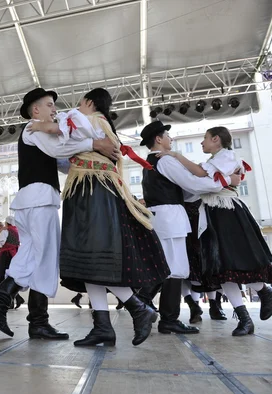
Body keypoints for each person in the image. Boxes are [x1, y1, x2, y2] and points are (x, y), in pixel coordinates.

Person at [31, 88, 170, 347]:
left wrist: (39, 125)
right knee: (91, 263)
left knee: (92, 257)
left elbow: (63, 140)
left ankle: (138, 308)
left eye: (80, 102)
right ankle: (103, 327)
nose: (76, 107)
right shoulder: (103, 126)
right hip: (95, 189)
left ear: (90, 103)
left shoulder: (91, 121)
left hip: (91, 192)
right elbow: (72, 156)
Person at [0, 87, 120, 340]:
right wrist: (95, 143)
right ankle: (24, 314)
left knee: (34, 256)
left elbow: (64, 162)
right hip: (39, 199)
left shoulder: (42, 135)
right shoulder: (34, 127)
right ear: (35, 110)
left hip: (33, 200)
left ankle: (11, 308)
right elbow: (59, 152)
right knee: (44, 257)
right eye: (49, 105)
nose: (54, 109)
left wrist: (88, 156)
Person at [158, 126, 272, 335]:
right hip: (213, 214)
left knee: (236, 260)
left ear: (216, 139)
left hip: (228, 212)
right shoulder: (217, 160)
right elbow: (200, 182)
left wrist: (177, 156)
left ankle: (263, 290)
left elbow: (202, 174)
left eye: (205, 138)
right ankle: (245, 319)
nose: (202, 142)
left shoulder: (228, 156)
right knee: (222, 269)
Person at [139, 121, 242, 334]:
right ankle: (154, 312)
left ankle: (157, 312)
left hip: (166, 216)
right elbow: (192, 184)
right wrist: (225, 181)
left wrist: (212, 186)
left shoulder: (154, 162)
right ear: (158, 139)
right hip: (169, 216)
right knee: (175, 268)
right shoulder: (165, 160)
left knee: (172, 268)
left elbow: (188, 191)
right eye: (167, 135)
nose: (171, 139)